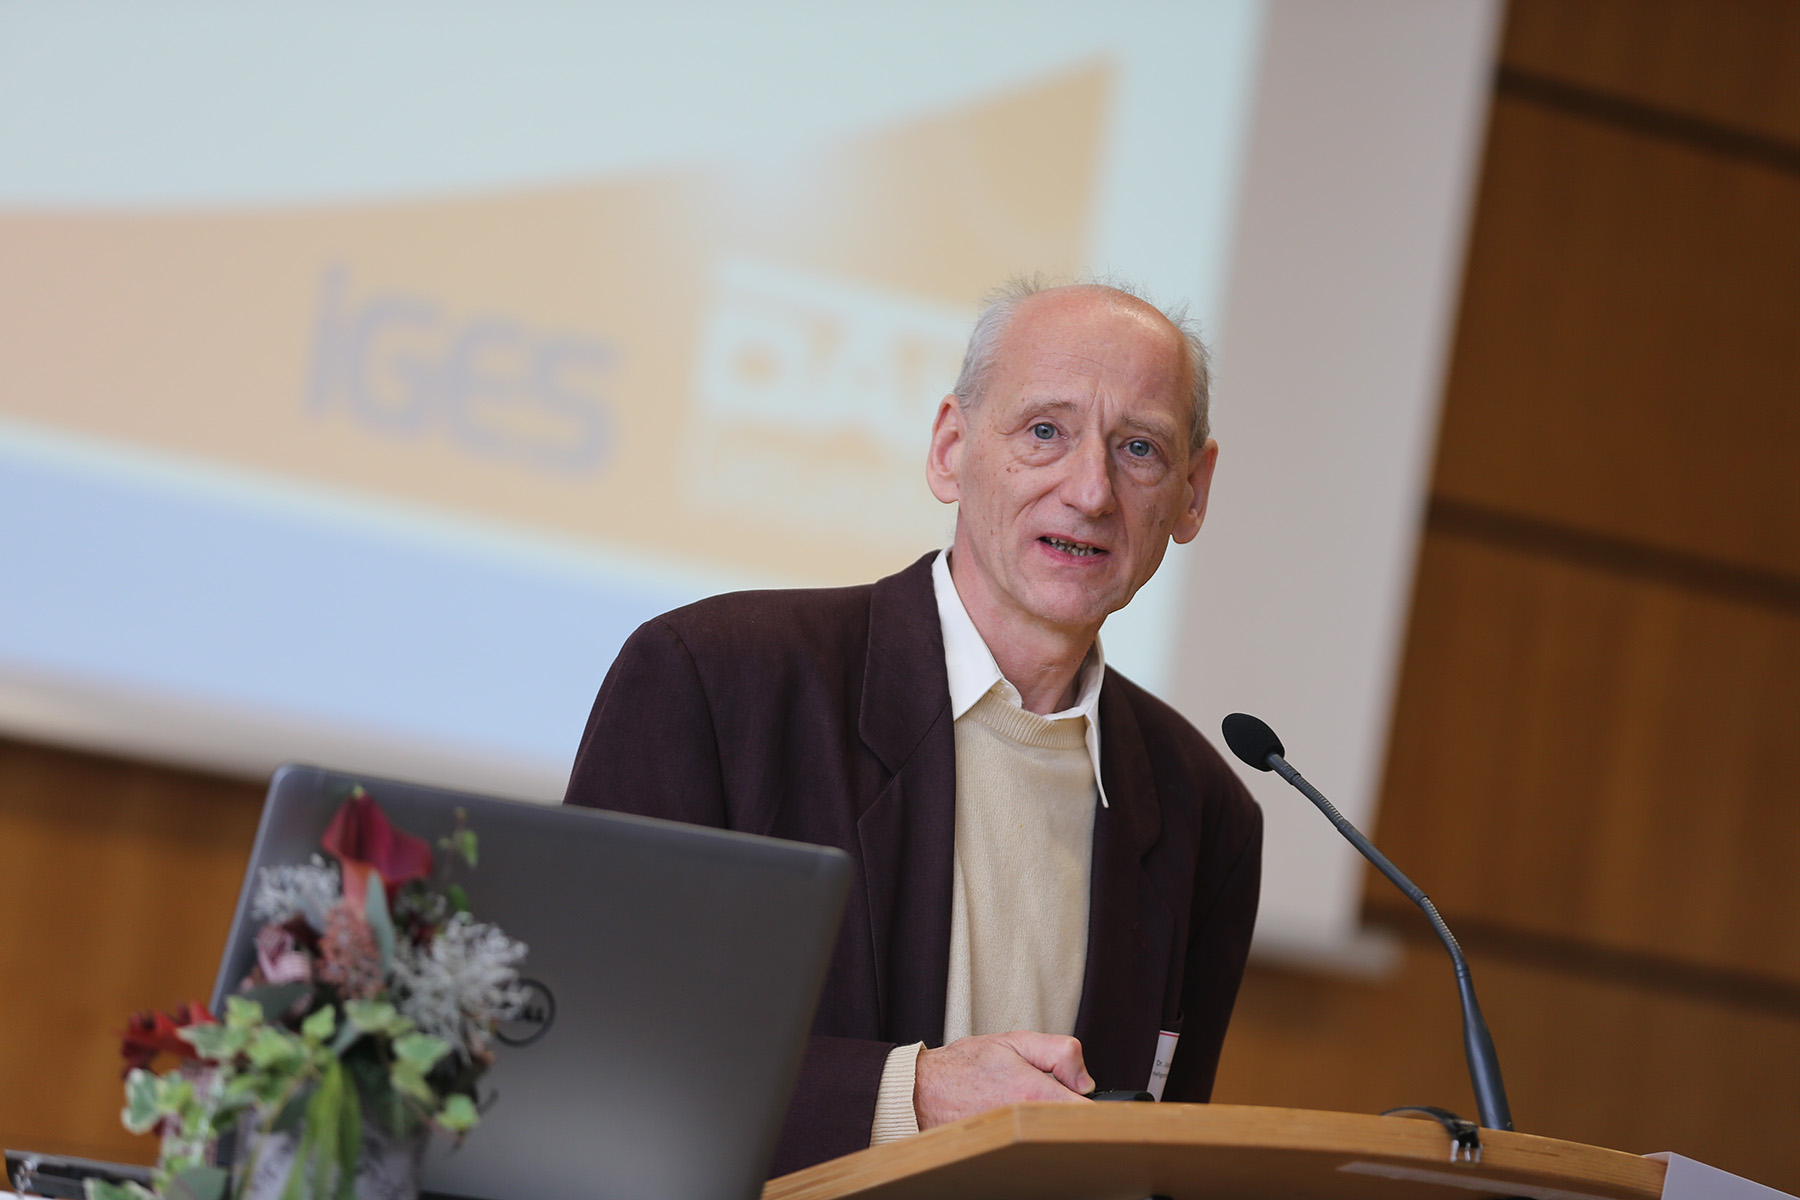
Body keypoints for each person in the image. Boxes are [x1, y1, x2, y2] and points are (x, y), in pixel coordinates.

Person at [564, 278, 1262, 1176]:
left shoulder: (1205, 811)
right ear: (949, 449)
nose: (1090, 491)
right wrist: (911, 1093)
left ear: (1192, 494)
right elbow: (591, 1047)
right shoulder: (716, 677)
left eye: (1139, 449)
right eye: (1044, 431)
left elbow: (1154, 1166)